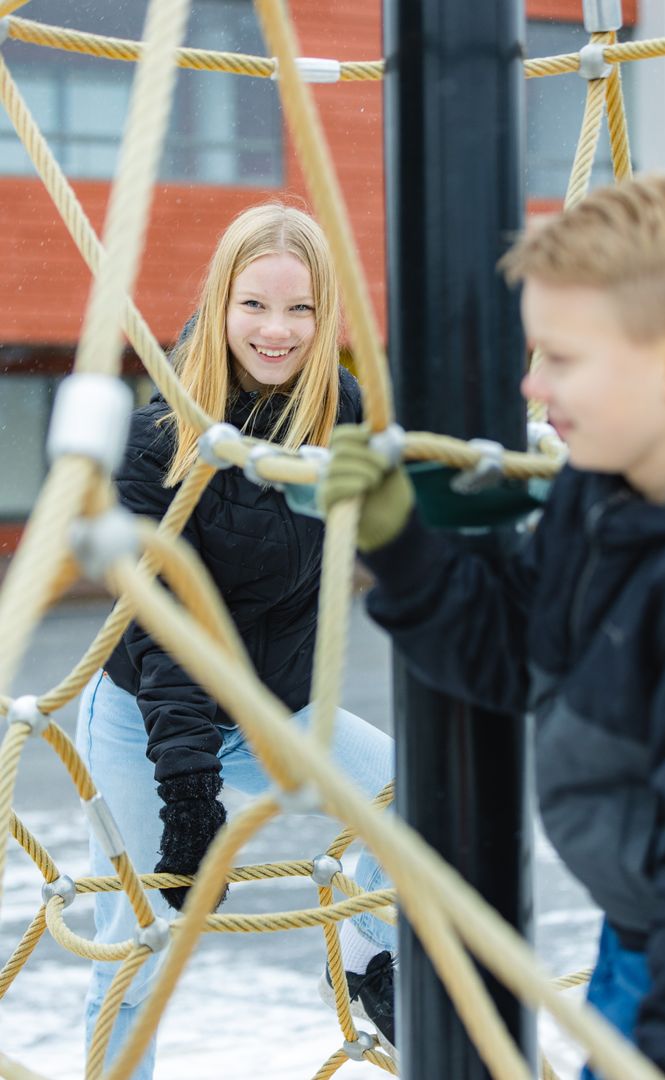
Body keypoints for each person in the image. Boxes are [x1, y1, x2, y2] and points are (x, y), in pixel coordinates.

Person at [321, 175, 665, 1080]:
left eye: (562, 358)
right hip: (645, 941)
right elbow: (515, 653)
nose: (531, 384)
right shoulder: (599, 494)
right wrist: (402, 547)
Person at [76, 203, 396, 1079]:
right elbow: (166, 621)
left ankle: (376, 963)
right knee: (144, 944)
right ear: (221, 303)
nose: (277, 330)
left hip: (273, 707)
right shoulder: (164, 430)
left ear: (325, 313)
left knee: (412, 800)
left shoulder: (341, 412)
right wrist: (187, 789)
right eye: (255, 305)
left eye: (299, 309)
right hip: (147, 713)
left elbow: (381, 540)